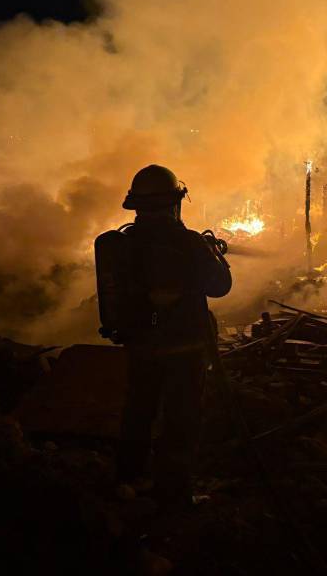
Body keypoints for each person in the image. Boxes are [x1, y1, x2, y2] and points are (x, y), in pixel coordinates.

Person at [94, 165, 232, 507]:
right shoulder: (187, 242)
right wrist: (212, 253)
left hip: (141, 345)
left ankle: (129, 481)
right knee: (181, 418)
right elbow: (220, 286)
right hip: (185, 347)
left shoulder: (123, 245)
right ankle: (174, 493)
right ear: (175, 202)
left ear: (136, 205)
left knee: (138, 411)